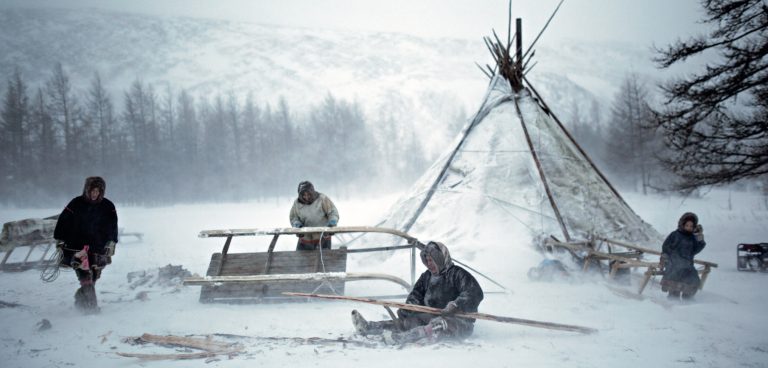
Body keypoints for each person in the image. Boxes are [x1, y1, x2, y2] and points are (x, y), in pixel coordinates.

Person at [351, 241, 484, 345]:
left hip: (458, 323)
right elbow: (416, 294)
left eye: (432, 260)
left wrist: (456, 305)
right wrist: (408, 308)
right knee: (408, 322)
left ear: (440, 258)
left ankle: (401, 338)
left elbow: (474, 292)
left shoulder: (458, 274)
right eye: (427, 260)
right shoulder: (427, 276)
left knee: (438, 324)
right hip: (431, 315)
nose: (429, 264)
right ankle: (369, 327)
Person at [53, 176, 118, 313]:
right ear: (87, 190)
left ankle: (81, 299)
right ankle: (91, 308)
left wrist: (112, 242)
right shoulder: (76, 203)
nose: (95, 194)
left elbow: (113, 226)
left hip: (98, 248)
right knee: (85, 276)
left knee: (93, 276)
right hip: (77, 248)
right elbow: (63, 221)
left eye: (98, 191)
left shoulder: (108, 206)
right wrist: (60, 239)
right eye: (92, 191)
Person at [660, 212, 706, 300]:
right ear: (682, 224)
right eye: (687, 225)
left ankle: (687, 300)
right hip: (673, 263)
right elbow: (665, 247)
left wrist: (700, 239)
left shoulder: (692, 237)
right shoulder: (675, 234)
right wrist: (665, 257)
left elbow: (696, 250)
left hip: (687, 265)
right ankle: (673, 299)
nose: (689, 227)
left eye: (691, 226)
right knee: (676, 278)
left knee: (693, 279)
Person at [289, 181, 339, 251]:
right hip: (305, 239)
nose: (306, 197)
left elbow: (332, 212)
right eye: (304, 195)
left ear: (312, 192)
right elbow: (294, 217)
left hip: (323, 237)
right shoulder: (297, 204)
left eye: (308, 194)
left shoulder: (322, 199)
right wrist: (297, 224)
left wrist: (332, 222)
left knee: (324, 257)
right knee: (300, 258)